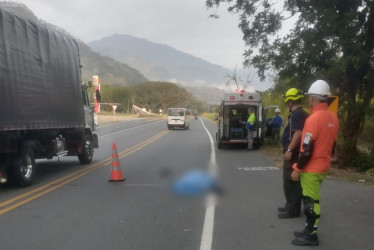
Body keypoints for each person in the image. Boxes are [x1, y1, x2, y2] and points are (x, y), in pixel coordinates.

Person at [291, 80, 339, 246]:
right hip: (323, 166)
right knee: (311, 199)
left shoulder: (313, 119)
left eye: (310, 97)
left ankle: (311, 235)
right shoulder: (333, 118)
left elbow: (306, 149)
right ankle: (307, 229)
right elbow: (332, 146)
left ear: (313, 98)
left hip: (311, 168)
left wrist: (297, 168)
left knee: (311, 203)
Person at [278, 88, 309, 219]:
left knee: (291, 181)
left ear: (290, 102)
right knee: (288, 180)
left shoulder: (298, 114)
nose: (287, 105)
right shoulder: (298, 114)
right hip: (294, 152)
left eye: (288, 102)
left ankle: (293, 209)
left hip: (294, 153)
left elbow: (298, 133)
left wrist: (289, 149)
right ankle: (289, 205)